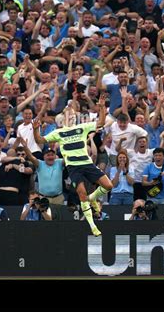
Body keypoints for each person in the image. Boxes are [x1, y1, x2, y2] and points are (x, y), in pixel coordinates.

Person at [32, 95, 112, 236]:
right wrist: (35, 129)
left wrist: (101, 107)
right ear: (63, 119)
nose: (71, 117)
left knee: (108, 186)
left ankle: (93, 197)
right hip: (73, 167)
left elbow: (101, 122)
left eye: (72, 116)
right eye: (68, 115)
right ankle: (93, 226)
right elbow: (39, 139)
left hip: (87, 163)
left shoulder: (82, 127)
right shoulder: (58, 132)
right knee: (81, 194)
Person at [20, 138, 65, 205]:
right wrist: (25, 148)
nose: (50, 157)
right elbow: (31, 157)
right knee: (44, 215)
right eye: (48, 155)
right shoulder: (40, 164)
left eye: (52, 155)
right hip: (43, 198)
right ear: (44, 157)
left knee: (59, 215)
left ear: (55, 156)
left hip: (58, 198)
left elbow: (68, 157)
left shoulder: (59, 162)